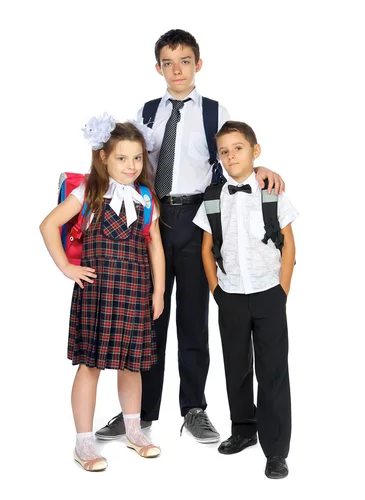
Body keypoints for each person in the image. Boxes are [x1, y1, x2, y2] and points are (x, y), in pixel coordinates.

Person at [95, 29, 285, 444]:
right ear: (158, 67)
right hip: (152, 218)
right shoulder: (147, 110)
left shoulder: (214, 110)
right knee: (147, 316)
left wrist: (264, 171)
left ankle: (193, 408)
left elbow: (234, 155)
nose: (176, 69)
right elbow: (124, 159)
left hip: (198, 217)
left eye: (184, 61)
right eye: (168, 62)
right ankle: (139, 414)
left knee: (194, 319)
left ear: (198, 64)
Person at [40, 115, 165, 471]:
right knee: (90, 365)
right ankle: (84, 443)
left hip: (135, 291)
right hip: (98, 293)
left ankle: (134, 432)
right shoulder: (90, 192)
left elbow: (155, 246)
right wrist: (66, 267)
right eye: (122, 158)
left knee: (133, 365)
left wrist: (158, 292)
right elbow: (49, 225)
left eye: (138, 158)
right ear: (104, 158)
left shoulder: (145, 197)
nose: (131, 166)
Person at [193, 120, 297, 479]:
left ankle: (276, 450)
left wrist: (282, 290)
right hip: (231, 295)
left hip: (269, 293)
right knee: (236, 367)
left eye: (238, 148)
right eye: (224, 150)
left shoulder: (272, 192)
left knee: (272, 373)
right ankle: (243, 429)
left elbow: (289, 243)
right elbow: (207, 249)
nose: (231, 155)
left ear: (255, 151)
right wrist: (216, 290)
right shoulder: (212, 198)